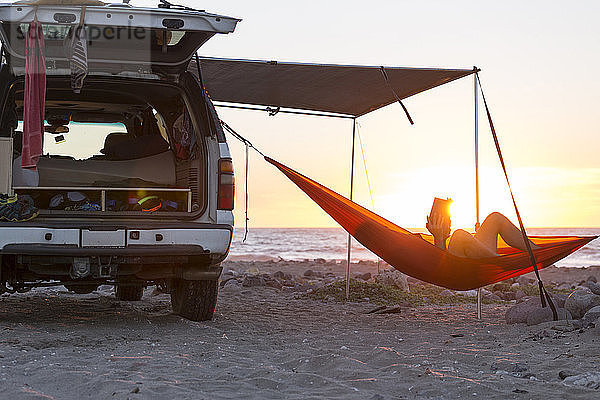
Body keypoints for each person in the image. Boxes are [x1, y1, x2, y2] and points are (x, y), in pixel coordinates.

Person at [426, 205, 540, 258]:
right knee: (459, 235)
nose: (449, 223)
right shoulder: (420, 246)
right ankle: (500, 260)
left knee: (495, 218)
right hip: (457, 273)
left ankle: (538, 252)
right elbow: (440, 269)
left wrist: (479, 235)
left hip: (470, 261)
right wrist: (438, 238)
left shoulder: (448, 241)